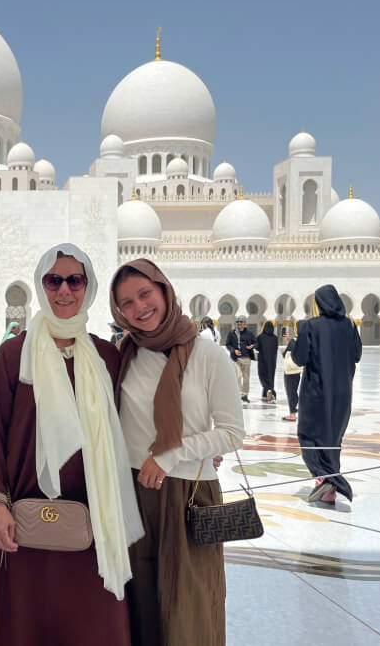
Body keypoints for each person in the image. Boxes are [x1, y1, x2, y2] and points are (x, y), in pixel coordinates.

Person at [0, 244, 143, 646]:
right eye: (54, 280)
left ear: (88, 287)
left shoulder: (105, 356)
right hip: (24, 518)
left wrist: (183, 446)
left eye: (75, 281)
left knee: (89, 623)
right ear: (41, 285)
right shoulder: (14, 354)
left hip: (93, 516)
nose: (64, 290)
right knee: (25, 620)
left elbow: (131, 424)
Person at [109, 258, 244, 646]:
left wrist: (168, 456)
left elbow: (233, 433)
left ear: (164, 291)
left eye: (145, 294)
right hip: (134, 495)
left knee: (189, 611)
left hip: (190, 495)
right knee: (142, 607)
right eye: (127, 303)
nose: (139, 307)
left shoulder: (208, 356)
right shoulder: (124, 354)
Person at [293, 285, 362, 504]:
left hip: (316, 393)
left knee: (308, 437)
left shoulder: (311, 326)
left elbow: (299, 358)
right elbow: (357, 354)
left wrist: (297, 340)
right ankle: (329, 490)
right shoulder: (349, 325)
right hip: (342, 394)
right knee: (332, 441)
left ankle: (329, 479)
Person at [225, 315, 256, 402]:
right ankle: (239, 393)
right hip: (236, 359)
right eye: (238, 322)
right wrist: (234, 350)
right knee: (238, 376)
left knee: (246, 378)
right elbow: (228, 344)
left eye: (241, 322)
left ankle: (245, 395)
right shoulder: (232, 333)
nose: (239, 323)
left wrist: (252, 346)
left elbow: (256, 342)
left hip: (246, 358)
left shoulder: (250, 334)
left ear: (245, 323)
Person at [281, 324, 303, 422]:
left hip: (290, 370)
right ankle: (295, 409)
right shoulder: (305, 340)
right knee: (294, 390)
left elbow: (286, 353)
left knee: (291, 392)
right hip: (298, 369)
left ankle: (292, 414)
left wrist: (284, 351)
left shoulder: (293, 341)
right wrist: (289, 340)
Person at [256, 321, 278, 403]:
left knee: (262, 376)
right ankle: (265, 395)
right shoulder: (275, 338)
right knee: (270, 377)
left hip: (262, 361)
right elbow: (275, 349)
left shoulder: (260, 337)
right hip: (272, 361)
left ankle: (270, 391)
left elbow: (257, 348)